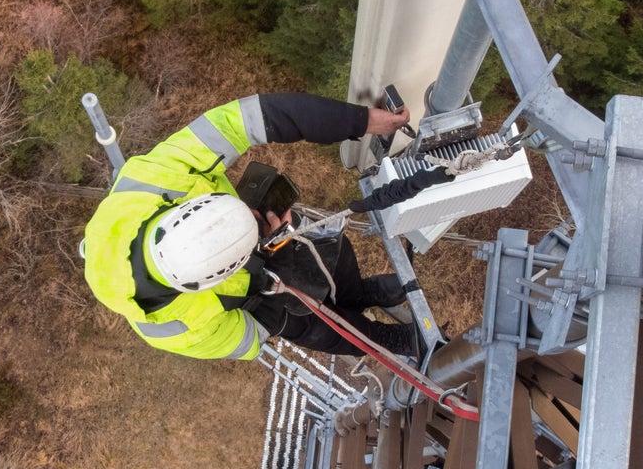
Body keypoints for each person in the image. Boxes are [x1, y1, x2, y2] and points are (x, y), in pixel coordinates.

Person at [82, 91, 419, 362]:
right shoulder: (174, 328)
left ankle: (361, 294)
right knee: (329, 328)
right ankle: (390, 340)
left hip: (275, 250)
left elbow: (252, 117)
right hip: (266, 303)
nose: (257, 217)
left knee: (333, 258)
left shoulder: (151, 181)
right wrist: (279, 269)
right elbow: (252, 337)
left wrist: (359, 121)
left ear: (183, 207)